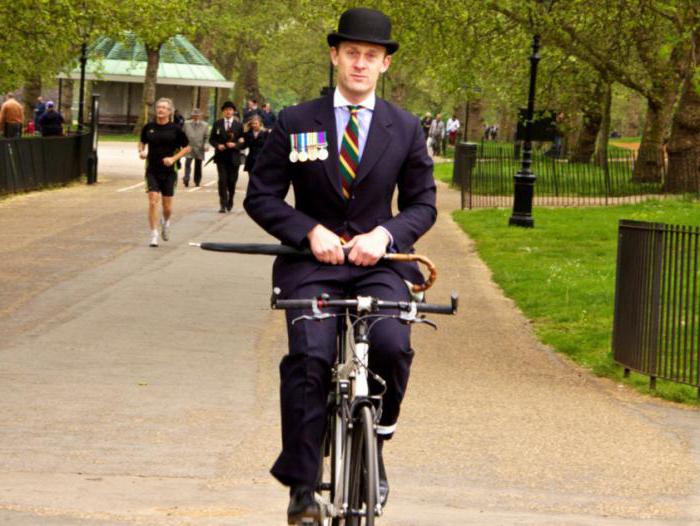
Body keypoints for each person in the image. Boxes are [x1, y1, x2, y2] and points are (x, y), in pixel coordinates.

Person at [244, 7, 436, 524]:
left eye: (370, 56)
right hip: (311, 264)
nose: (359, 63)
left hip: (380, 263)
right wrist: (308, 230)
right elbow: (261, 196)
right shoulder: (294, 121)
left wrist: (386, 234)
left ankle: (380, 437)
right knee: (308, 357)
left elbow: (424, 203)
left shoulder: (406, 127)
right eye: (351, 53)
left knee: (394, 349)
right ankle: (303, 486)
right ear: (335, 56)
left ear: (384, 65)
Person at [138, 97, 191, 247]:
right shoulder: (148, 127)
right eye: (158, 107)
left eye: (164, 108)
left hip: (169, 171)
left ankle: (166, 221)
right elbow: (142, 142)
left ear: (170, 111)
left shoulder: (175, 129)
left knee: (167, 207)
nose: (160, 110)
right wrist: (142, 151)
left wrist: (173, 159)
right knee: (153, 201)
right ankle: (153, 234)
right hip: (152, 170)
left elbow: (187, 148)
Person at [209, 101, 244, 212]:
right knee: (222, 180)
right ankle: (222, 204)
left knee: (231, 181)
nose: (228, 112)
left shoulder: (239, 125)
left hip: (234, 157)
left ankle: (231, 199)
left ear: (233, 112)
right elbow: (211, 139)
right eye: (226, 110)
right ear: (223, 112)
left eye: (230, 110)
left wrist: (235, 144)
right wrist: (217, 145)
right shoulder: (217, 124)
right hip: (221, 157)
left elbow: (243, 141)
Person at [182, 108, 209, 187]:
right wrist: (183, 144)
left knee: (198, 165)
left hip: (199, 147)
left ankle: (197, 180)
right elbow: (182, 134)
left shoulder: (205, 125)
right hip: (189, 146)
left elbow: (206, 136)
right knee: (188, 163)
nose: (196, 117)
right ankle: (186, 178)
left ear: (200, 116)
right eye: (194, 115)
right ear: (192, 116)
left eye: (197, 115)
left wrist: (206, 144)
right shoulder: (186, 123)